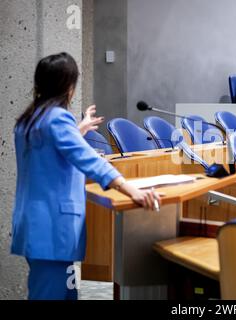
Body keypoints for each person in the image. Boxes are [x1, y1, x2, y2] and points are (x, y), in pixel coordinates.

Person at [11, 52, 162, 300]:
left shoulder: (29, 120)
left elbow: (48, 154)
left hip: (35, 224)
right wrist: (130, 189)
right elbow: (91, 162)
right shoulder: (58, 119)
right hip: (53, 228)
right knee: (50, 294)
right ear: (68, 86)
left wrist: (77, 131)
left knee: (65, 293)